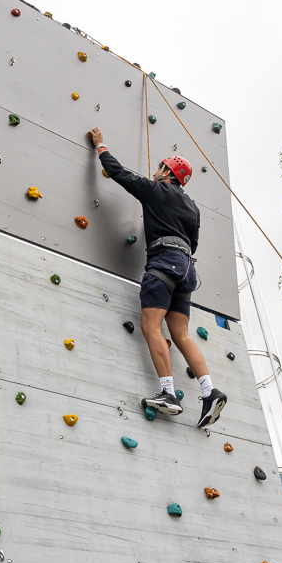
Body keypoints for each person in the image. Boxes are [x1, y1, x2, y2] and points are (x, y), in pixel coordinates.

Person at [87, 126, 227, 428]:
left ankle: (167, 393)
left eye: (160, 167)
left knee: (150, 324)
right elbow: (194, 241)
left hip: (163, 263)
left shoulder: (156, 190)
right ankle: (209, 391)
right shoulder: (193, 207)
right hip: (187, 270)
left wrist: (101, 146)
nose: (155, 170)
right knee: (182, 334)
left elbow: (120, 174)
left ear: (167, 171)